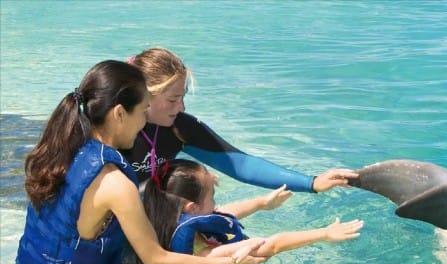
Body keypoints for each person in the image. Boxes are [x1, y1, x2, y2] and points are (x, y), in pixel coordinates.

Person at [2, 60, 267, 264]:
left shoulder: (63, 149)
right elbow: (156, 261)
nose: (143, 123)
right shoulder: (115, 182)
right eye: (142, 112)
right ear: (119, 113)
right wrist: (230, 262)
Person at [122, 47, 357, 192]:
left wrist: (312, 183)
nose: (181, 107)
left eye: (182, 97)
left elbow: (240, 165)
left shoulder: (178, 128)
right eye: (173, 99)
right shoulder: (109, 127)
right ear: (145, 94)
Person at [140, 159, 364, 264]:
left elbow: (223, 215)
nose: (216, 202)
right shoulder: (207, 255)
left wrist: (262, 203)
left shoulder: (163, 223)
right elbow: (273, 244)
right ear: (192, 209)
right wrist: (325, 233)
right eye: (212, 195)